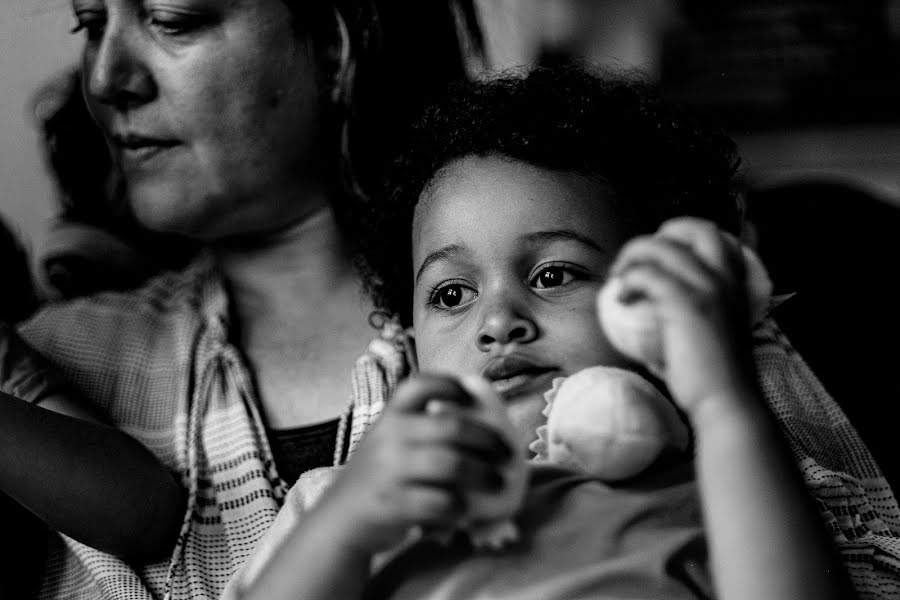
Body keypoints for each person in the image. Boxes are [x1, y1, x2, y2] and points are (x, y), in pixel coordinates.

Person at [226, 66, 895, 600]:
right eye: (452, 294)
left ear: (651, 307)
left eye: (553, 275)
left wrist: (723, 401)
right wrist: (345, 529)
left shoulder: (720, 483)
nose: (496, 323)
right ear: (411, 342)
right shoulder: (348, 498)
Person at [18, 1, 482, 599]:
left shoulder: (530, 333)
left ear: (334, 45)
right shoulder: (39, 380)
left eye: (170, 18)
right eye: (91, 25)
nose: (105, 80)